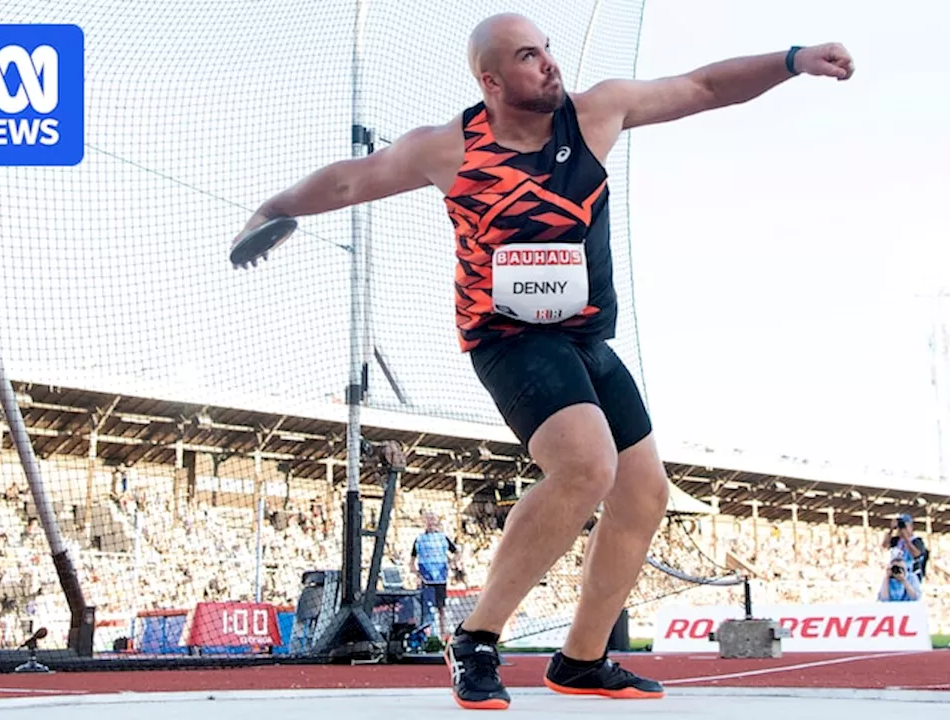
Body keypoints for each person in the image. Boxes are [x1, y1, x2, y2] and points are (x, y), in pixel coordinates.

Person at [233, 12, 854, 710]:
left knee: (644, 494)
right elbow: (351, 182)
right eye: (530, 57)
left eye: (549, 49)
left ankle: (582, 660)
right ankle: (475, 637)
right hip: (507, 338)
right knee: (588, 465)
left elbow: (705, 85)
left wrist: (794, 58)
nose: (550, 64)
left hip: (587, 338)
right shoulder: (450, 150)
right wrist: (271, 209)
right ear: (492, 81)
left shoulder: (596, 115)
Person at [410, 510, 461, 638]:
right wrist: (417, 573)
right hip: (426, 579)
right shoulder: (419, 540)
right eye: (427, 519)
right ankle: (427, 635)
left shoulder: (443, 538)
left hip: (440, 579)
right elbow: (411, 561)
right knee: (426, 609)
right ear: (424, 522)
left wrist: (451, 564)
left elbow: (457, 552)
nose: (430, 522)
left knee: (441, 608)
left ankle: (443, 635)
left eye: (432, 519)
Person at [887, 513, 930, 583]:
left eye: (904, 526)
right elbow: (885, 545)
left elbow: (916, 554)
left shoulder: (917, 541)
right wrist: (891, 530)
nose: (901, 529)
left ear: (911, 526)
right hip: (897, 575)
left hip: (911, 576)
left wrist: (906, 539)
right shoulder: (897, 540)